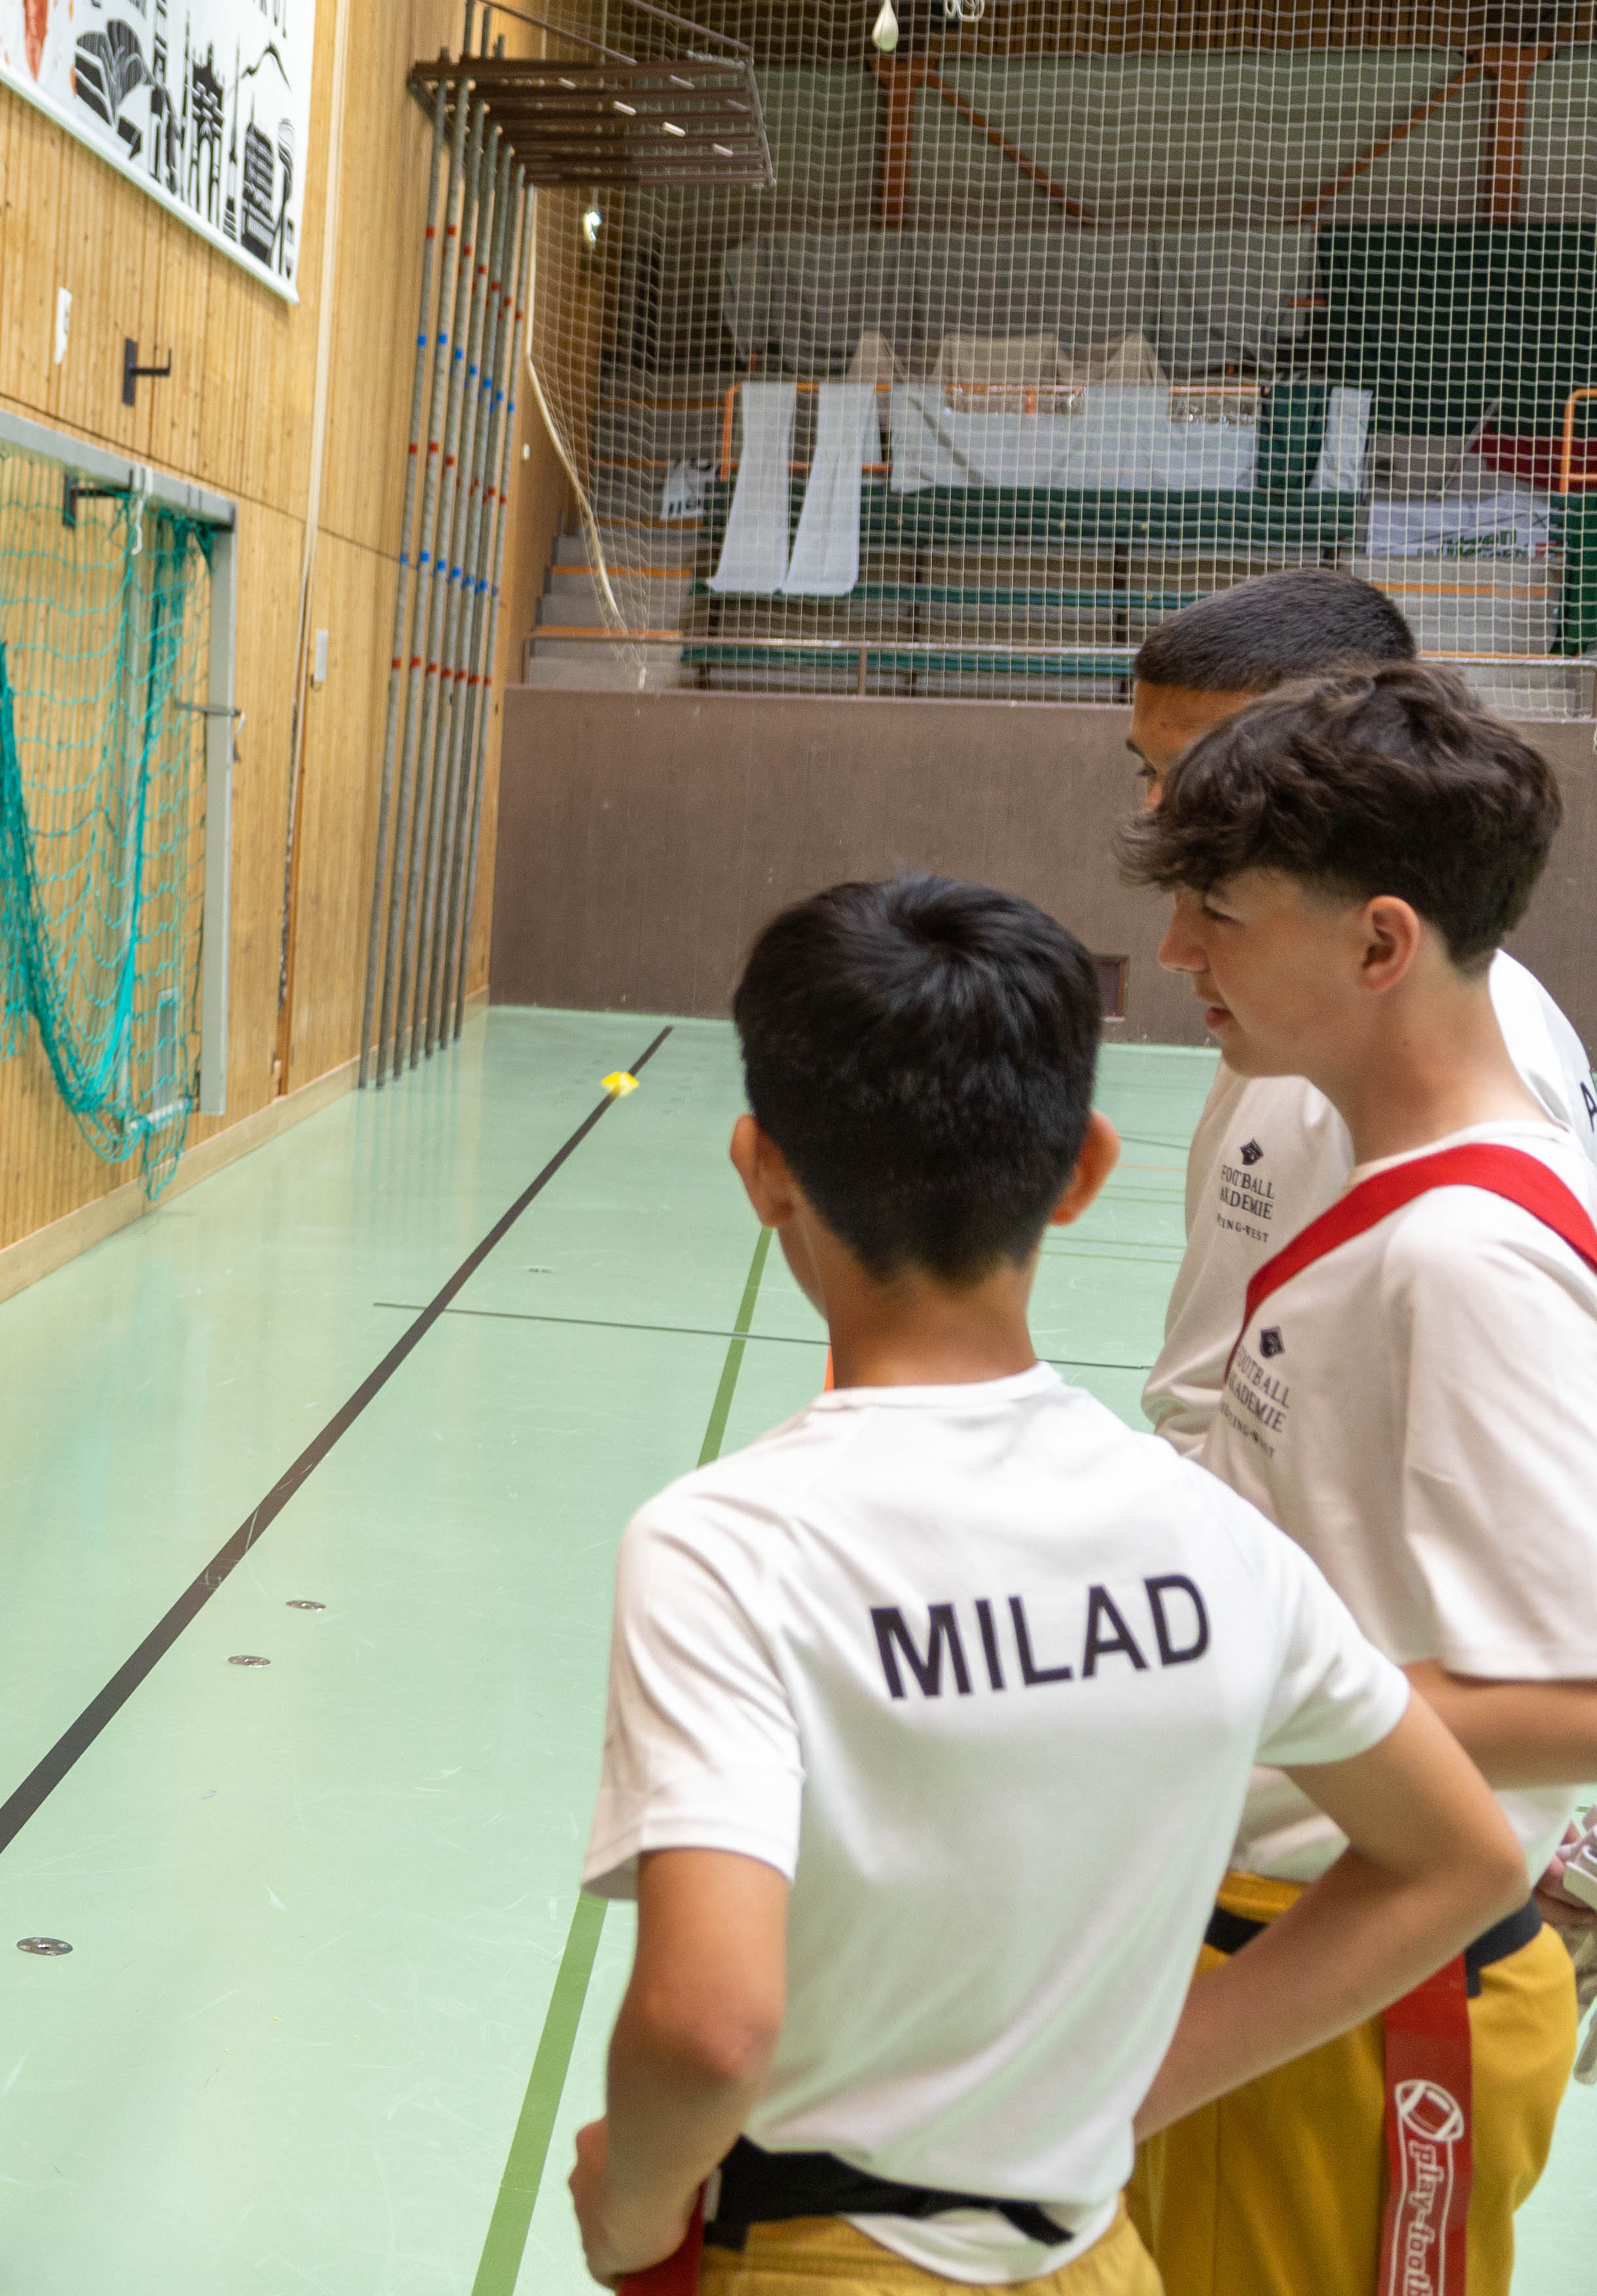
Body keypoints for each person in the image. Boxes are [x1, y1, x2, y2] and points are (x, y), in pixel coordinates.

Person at [569, 873, 1524, 2293]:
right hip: (1093, 2252)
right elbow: (1466, 1857)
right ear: (1084, 1166)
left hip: (821, 2254)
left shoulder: (726, 1545)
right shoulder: (1210, 1535)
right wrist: (1132, 2091)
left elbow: (711, 2025)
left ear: (761, 1165)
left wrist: (629, 2213)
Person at [1119, 664, 1597, 2291]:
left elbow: (1585, 1691)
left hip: (1381, 1991)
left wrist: (1209, 1687)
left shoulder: (1463, 1258)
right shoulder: (1385, 1195)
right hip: (1284, 1943)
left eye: (1219, 914)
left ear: (1379, 944)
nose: (1179, 953)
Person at [1122, 567, 1590, 1454]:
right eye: (1150, 772)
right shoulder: (1464, 998)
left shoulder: (1332, 1083)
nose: (1160, 811)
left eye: (1198, 770)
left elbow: (1209, 1408)